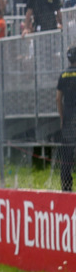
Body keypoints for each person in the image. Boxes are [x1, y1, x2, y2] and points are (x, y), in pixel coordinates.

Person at [56, 46, 76, 192]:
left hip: (69, 119)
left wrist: (62, 117)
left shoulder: (63, 75)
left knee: (67, 155)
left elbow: (58, 98)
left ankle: (66, 187)